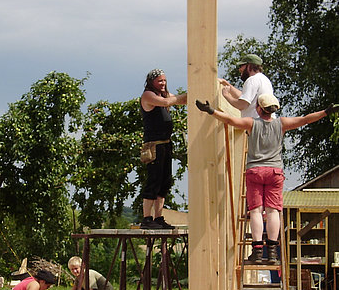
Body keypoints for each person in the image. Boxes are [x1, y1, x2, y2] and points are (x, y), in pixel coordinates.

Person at [195, 95, 339, 263]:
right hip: (274, 172)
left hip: (255, 171)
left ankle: (257, 251)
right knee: (272, 211)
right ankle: (271, 252)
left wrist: (210, 111)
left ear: (258, 108)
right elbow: (306, 120)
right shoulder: (282, 123)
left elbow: (230, 120)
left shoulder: (251, 123)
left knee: (256, 210)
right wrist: (326, 112)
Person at [140, 68, 187, 229]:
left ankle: (158, 217)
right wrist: (180, 97)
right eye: (160, 80)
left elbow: (177, 100)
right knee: (154, 181)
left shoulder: (163, 95)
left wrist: (195, 94)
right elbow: (168, 102)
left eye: (164, 80)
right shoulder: (148, 95)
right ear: (152, 81)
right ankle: (147, 218)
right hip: (154, 145)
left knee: (165, 181)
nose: (163, 83)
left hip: (166, 144)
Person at [218, 54, 273, 118]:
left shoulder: (252, 80)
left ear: (249, 66)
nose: (240, 69)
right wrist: (227, 84)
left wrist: (226, 95)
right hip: (266, 123)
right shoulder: (264, 80)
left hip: (257, 124)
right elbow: (243, 97)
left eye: (241, 66)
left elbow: (242, 105)